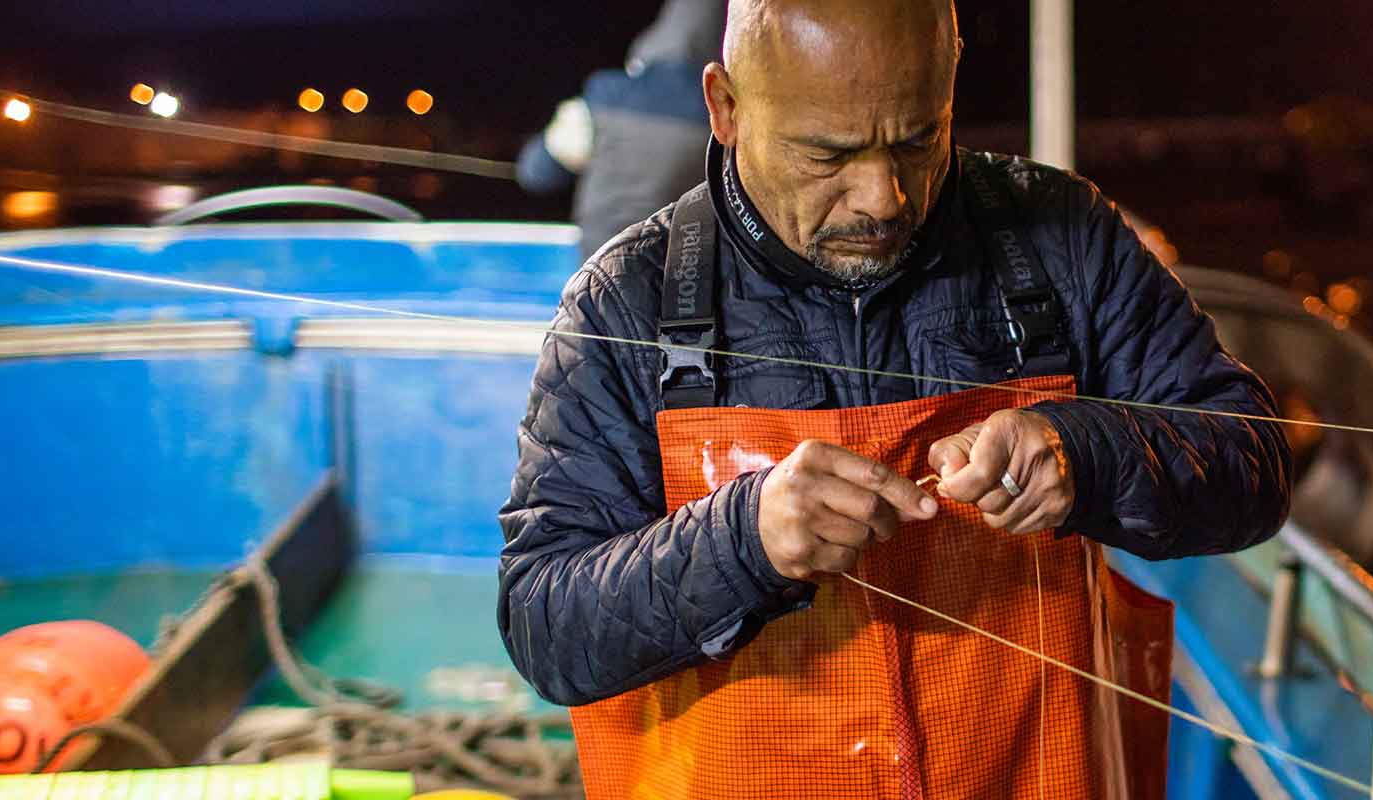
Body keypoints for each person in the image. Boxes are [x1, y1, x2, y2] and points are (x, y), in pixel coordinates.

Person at [497, 0, 1292, 794]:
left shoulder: (1062, 237)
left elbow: (1252, 462)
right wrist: (743, 540)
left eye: (918, 140)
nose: (883, 199)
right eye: (828, 155)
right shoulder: (621, 299)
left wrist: (1090, 452)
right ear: (726, 108)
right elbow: (546, 624)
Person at [514, 0, 725, 257]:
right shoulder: (727, 114)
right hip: (687, 276)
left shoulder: (605, 94)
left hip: (601, 273)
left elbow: (535, 175)